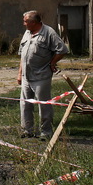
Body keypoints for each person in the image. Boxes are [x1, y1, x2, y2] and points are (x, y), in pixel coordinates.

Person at [17, 10, 69, 139]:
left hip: (41, 75)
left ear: (33, 22)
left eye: (25, 21)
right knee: (25, 104)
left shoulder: (48, 32)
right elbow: (23, 56)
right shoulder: (27, 32)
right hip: (26, 77)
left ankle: (46, 132)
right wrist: (20, 74)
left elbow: (62, 50)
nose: (23, 24)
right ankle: (27, 130)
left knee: (44, 104)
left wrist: (52, 63)